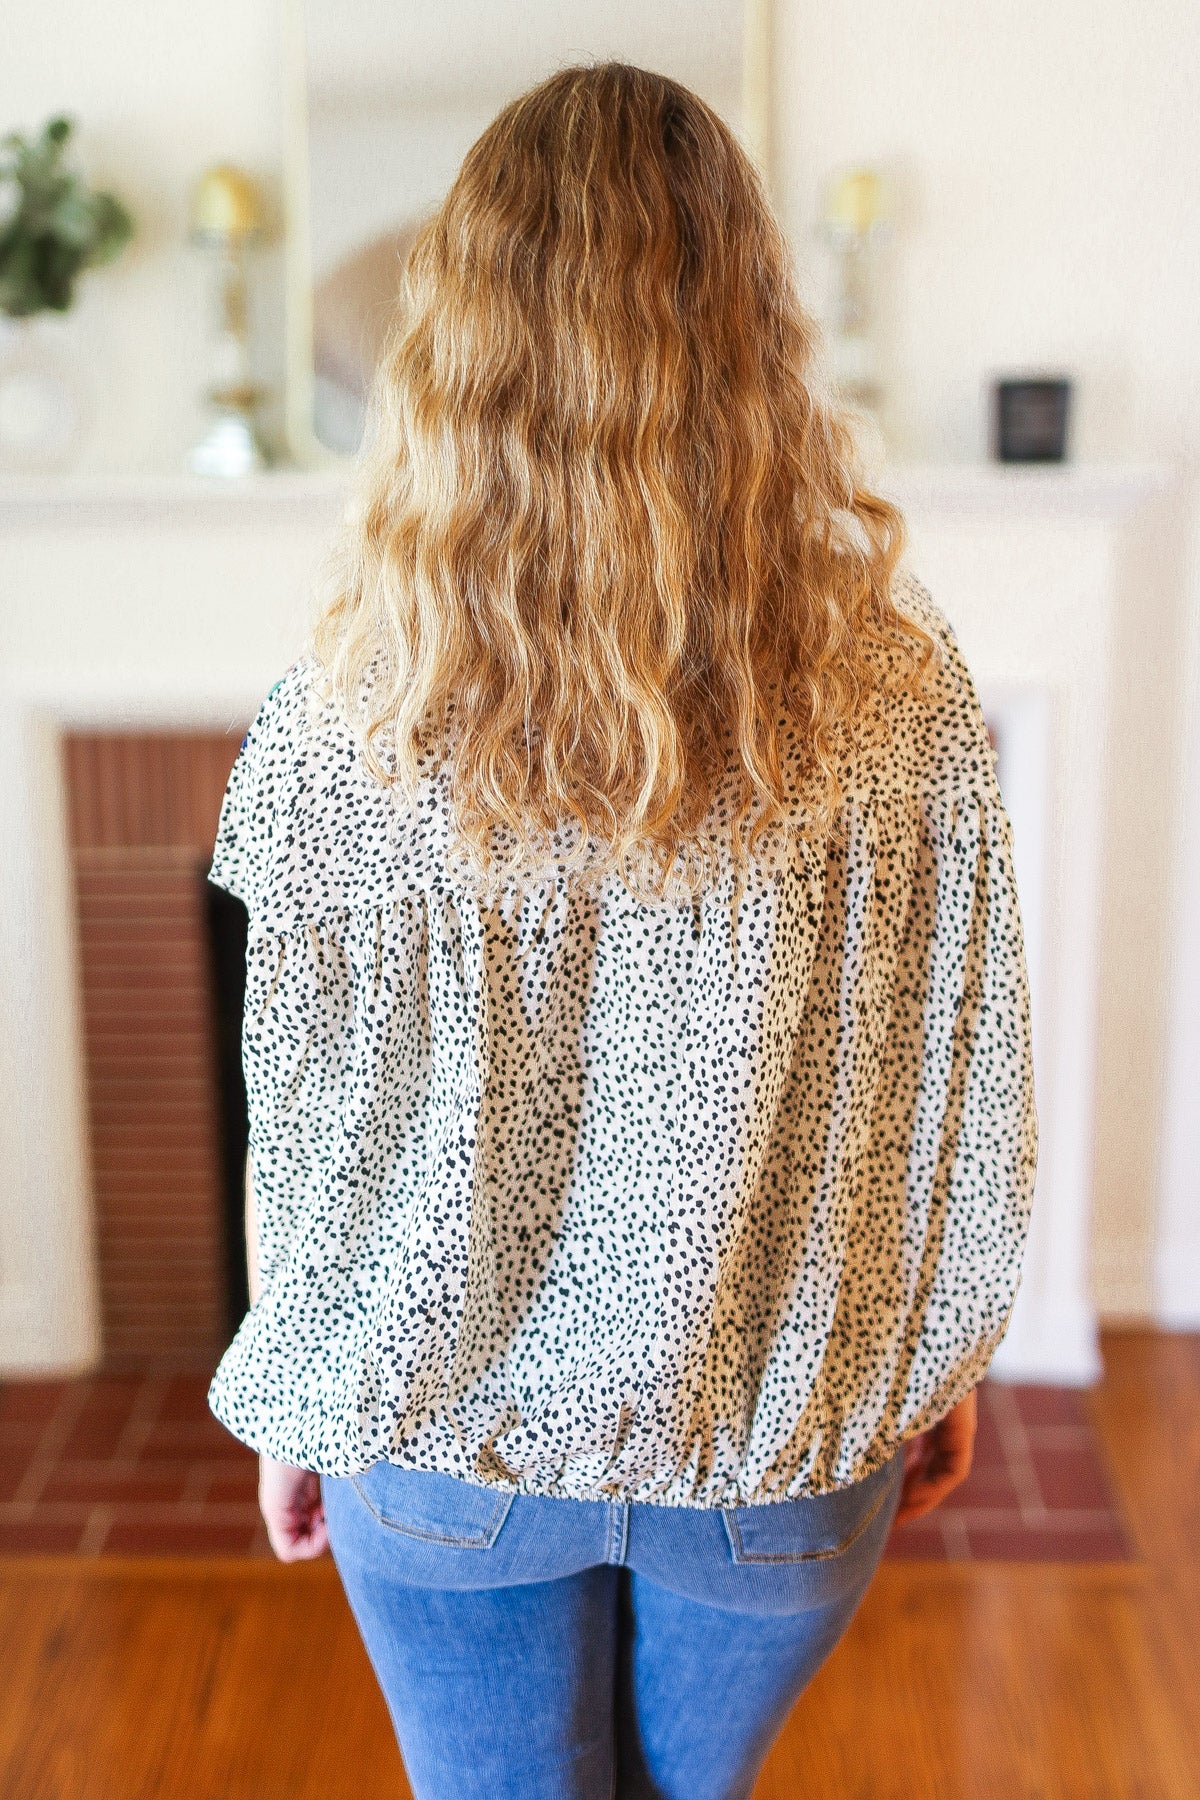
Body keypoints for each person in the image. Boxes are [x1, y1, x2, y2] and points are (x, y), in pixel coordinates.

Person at [207, 62, 1037, 1800]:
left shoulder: (346, 716)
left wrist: (299, 1398)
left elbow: (304, 1123)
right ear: (753, 323)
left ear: (455, 338)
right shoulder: (902, 688)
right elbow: (958, 1081)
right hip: (782, 1454)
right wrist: (939, 1363)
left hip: (438, 1448)